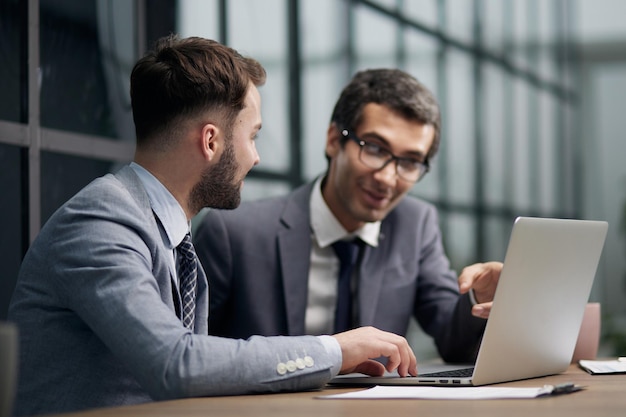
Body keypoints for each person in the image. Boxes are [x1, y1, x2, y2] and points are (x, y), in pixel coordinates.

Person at [7, 35, 417, 417]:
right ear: (210, 141)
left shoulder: (163, 229)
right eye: (252, 136)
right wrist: (333, 349)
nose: (255, 158)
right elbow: (178, 365)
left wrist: (327, 366)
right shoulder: (100, 221)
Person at [193, 68, 503, 363]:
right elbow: (195, 356)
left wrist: (478, 296)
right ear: (333, 140)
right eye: (376, 149)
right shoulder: (234, 233)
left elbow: (452, 335)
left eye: (410, 162)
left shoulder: (415, 224)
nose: (388, 178)